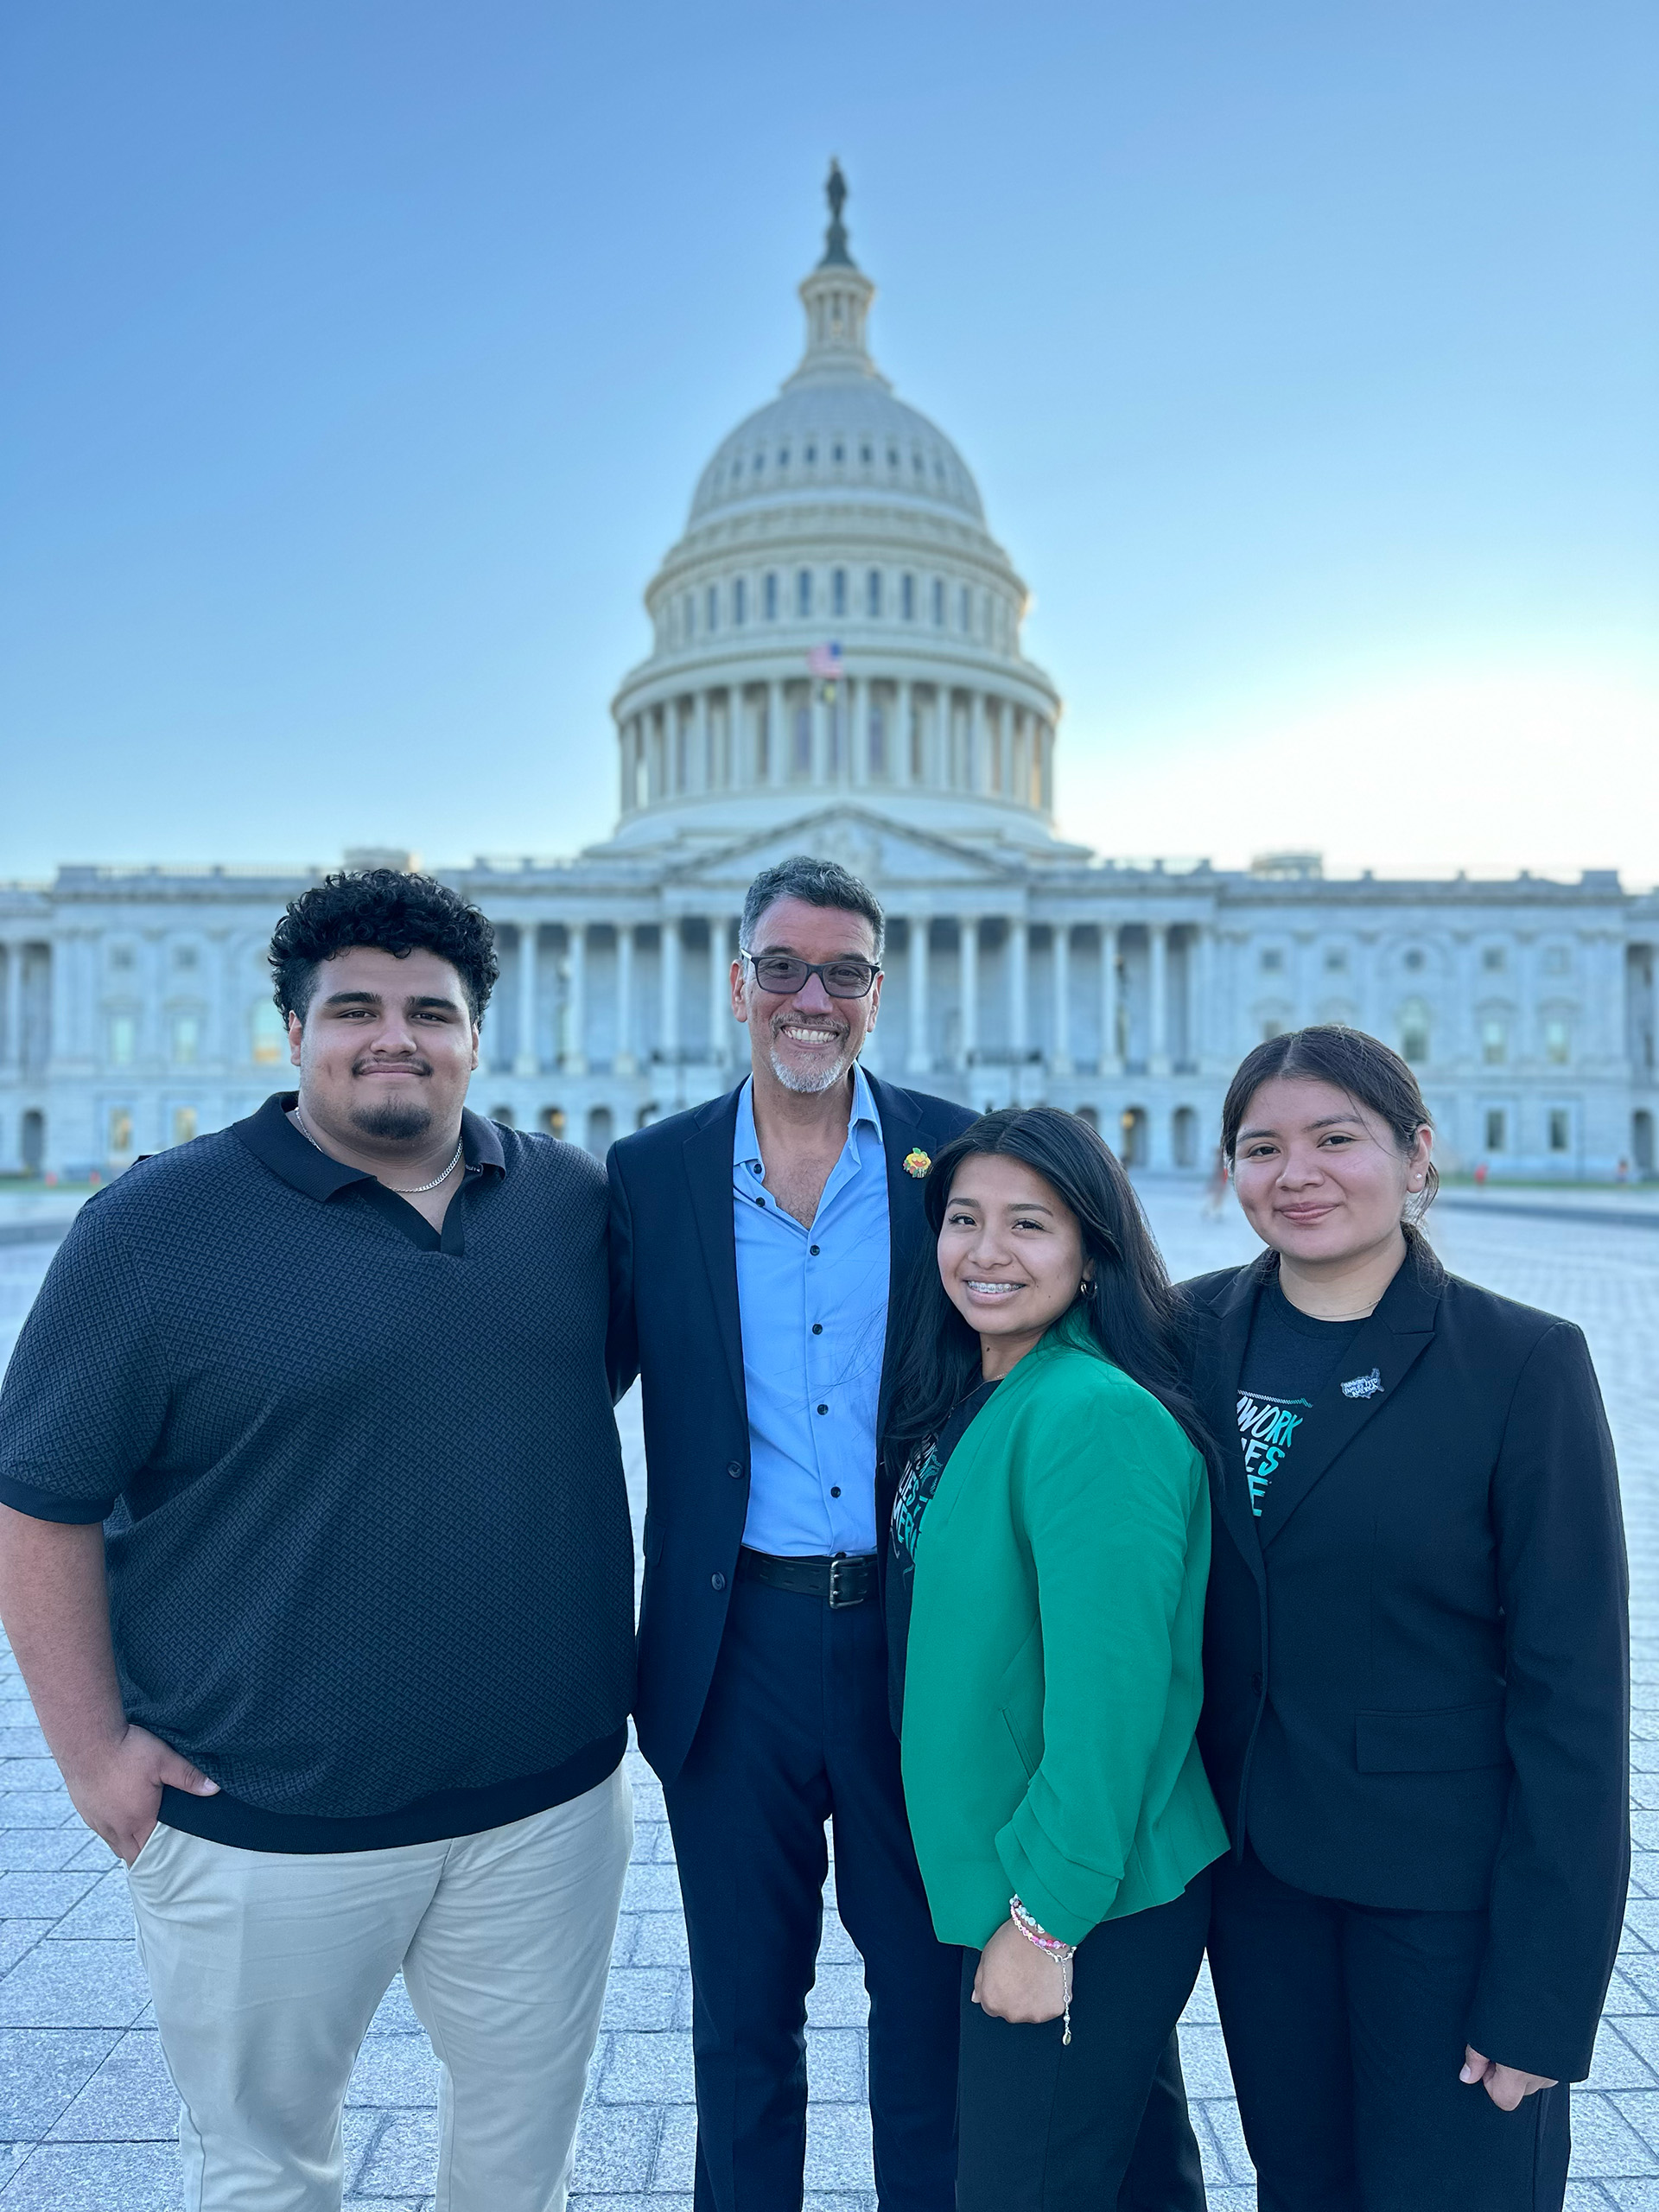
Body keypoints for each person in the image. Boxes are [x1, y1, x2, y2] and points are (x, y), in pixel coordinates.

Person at [0, 869, 637, 2212]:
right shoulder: (153, 1231)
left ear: (478, 1034)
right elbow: (38, 1495)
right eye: (353, 1008)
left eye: (430, 1010)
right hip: (262, 1822)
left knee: (524, 2170)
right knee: (263, 2175)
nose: (392, 1036)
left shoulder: (572, 1208)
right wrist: (91, 1756)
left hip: (543, 1814)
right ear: (292, 1032)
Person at [1183, 1025, 1629, 2212]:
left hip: (1447, 1903)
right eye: (1262, 1147)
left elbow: (1573, 1694)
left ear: (1416, 1154)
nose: (1298, 1173)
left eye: (1338, 1139)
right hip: (1259, 1882)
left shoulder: (1521, 1362)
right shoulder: (1181, 1338)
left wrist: (1546, 1994)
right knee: (1305, 2189)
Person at [885, 1106, 1228, 2212]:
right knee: (1131, 2182)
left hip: (1076, 1895)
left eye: (1029, 1224)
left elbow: (1111, 1702)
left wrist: (1044, 1923)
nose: (986, 1253)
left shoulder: (1092, 1415)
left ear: (1091, 1253)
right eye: (965, 1220)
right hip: (1038, 1878)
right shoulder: (988, 1388)